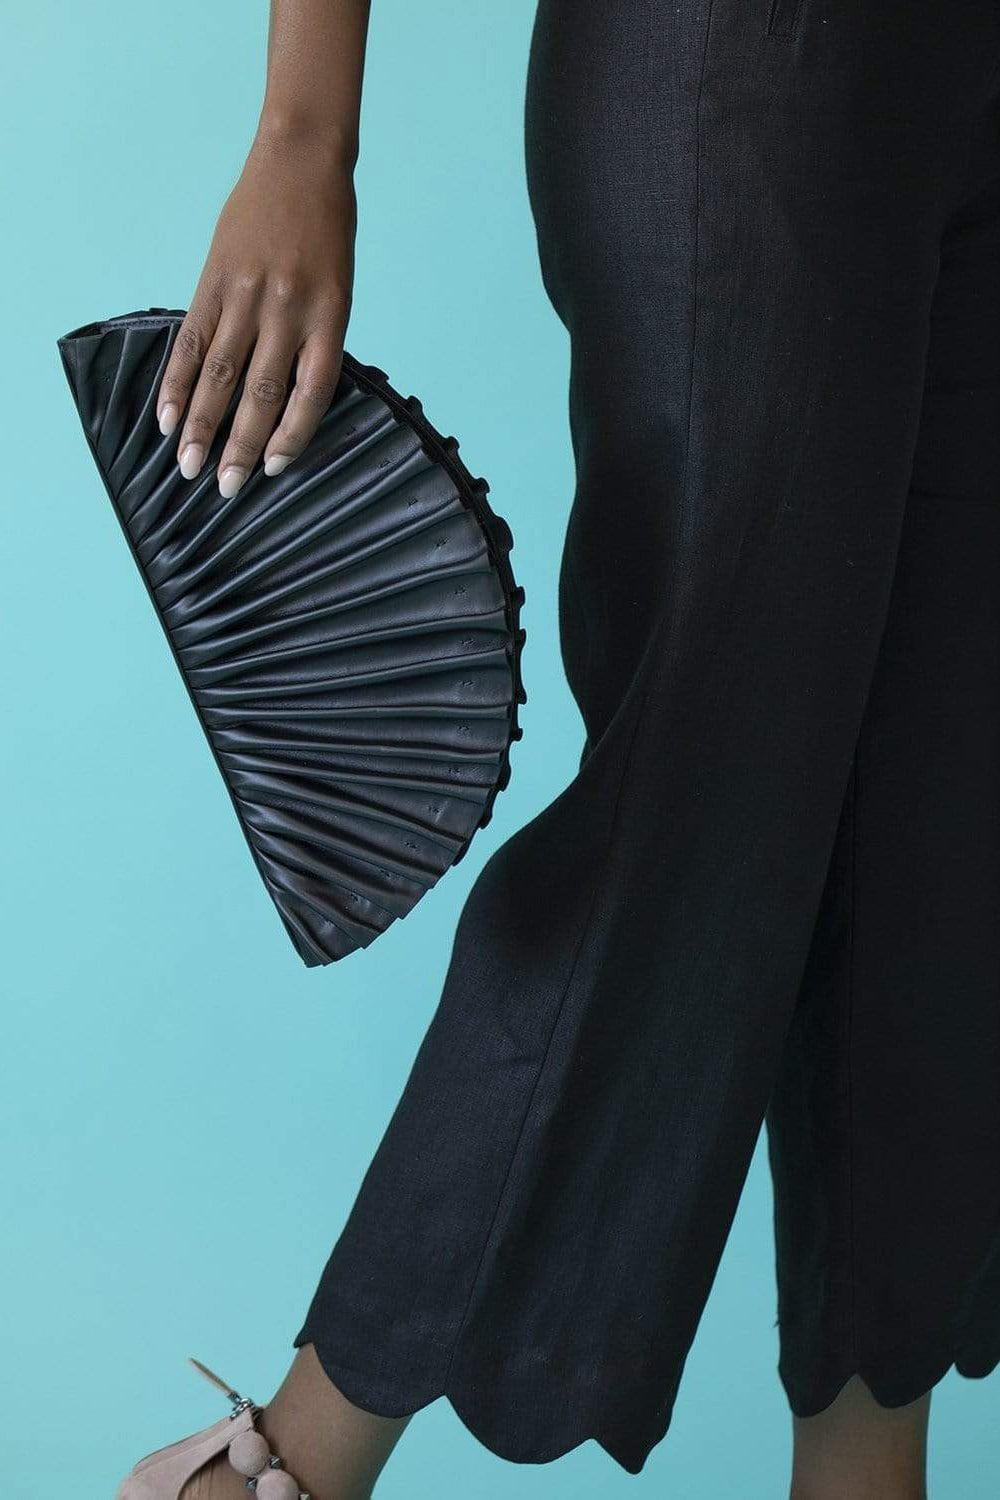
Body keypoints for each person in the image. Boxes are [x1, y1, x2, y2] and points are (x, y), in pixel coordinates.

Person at [125, 0, 1000, 1497]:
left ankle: (869, 1476)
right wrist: (303, 136)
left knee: (939, 814)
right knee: (695, 794)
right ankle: (285, 1468)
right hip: (745, 61)